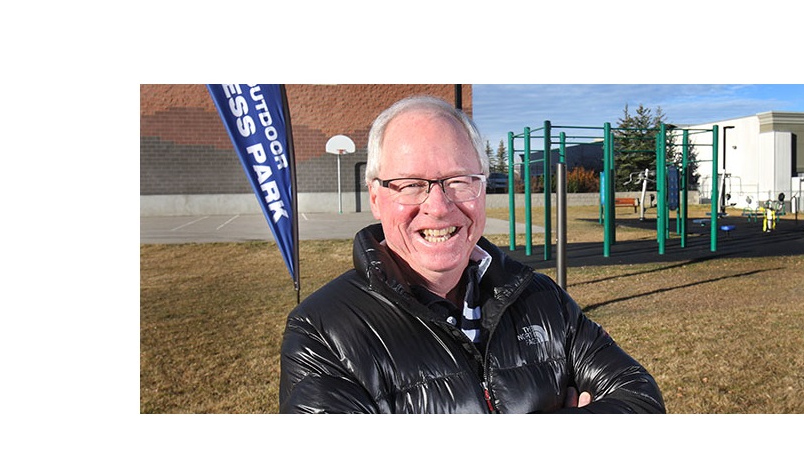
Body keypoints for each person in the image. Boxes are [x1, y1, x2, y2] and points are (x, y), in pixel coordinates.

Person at [279, 95, 665, 413]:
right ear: (377, 198)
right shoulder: (322, 334)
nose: (439, 206)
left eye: (459, 181)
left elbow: (640, 400)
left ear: (482, 189)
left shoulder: (543, 301)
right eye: (412, 184)